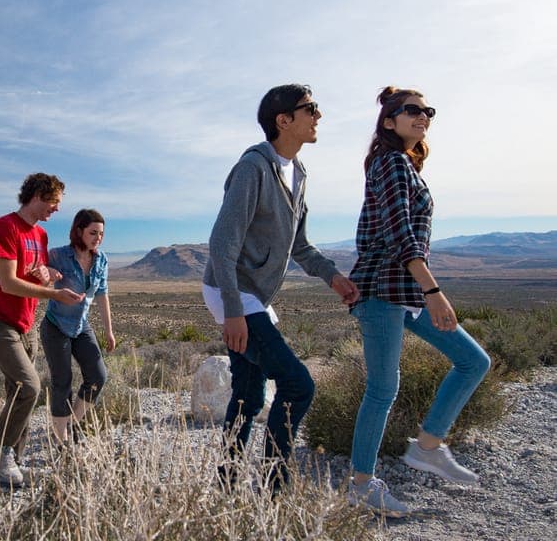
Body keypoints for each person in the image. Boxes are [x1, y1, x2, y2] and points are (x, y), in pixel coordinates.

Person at [202, 83, 360, 491]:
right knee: (297, 384)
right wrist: (234, 312)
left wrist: (333, 277)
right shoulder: (254, 167)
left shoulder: (299, 173)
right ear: (283, 120)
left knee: (249, 397)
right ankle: (276, 487)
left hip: (252, 296)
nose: (318, 116)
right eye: (311, 108)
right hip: (230, 289)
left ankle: (226, 483)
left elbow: (301, 245)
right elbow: (222, 243)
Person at [346, 86, 490, 517]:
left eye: (427, 110)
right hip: (382, 292)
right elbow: (401, 234)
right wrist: (434, 291)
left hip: (405, 293)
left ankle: (428, 445)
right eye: (412, 110)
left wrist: (423, 292)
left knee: (473, 361)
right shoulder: (388, 163)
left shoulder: (405, 165)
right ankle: (360, 484)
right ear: (389, 121)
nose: (422, 115)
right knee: (383, 389)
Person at [0, 173, 84, 487]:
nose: (56, 209)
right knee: (29, 387)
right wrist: (53, 294)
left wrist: (47, 275)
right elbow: (8, 283)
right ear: (38, 194)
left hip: (26, 324)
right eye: (54, 202)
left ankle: (12, 466)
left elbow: (33, 275)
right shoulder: (5, 227)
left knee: (18, 394)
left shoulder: (40, 235)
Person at [41, 209, 116, 446]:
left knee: (98, 376)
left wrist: (109, 331)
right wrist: (48, 273)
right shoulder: (59, 255)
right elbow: (37, 275)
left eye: (101, 234)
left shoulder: (102, 260)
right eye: (93, 232)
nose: (98, 238)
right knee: (62, 381)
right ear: (79, 231)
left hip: (81, 326)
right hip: (56, 326)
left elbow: (102, 295)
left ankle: (72, 422)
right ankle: (61, 440)